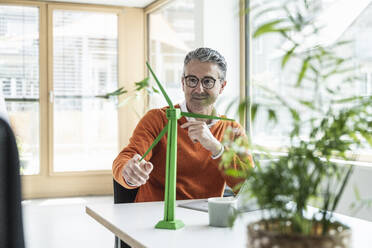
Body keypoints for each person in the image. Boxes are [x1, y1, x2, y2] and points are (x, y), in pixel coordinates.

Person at [112, 47, 249, 202]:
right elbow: (125, 158)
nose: (199, 89)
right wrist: (129, 172)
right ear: (183, 83)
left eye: (208, 81)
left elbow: (249, 188)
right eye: (192, 80)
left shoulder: (232, 129)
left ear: (222, 86)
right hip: (153, 218)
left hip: (204, 220)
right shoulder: (158, 119)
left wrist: (215, 147)